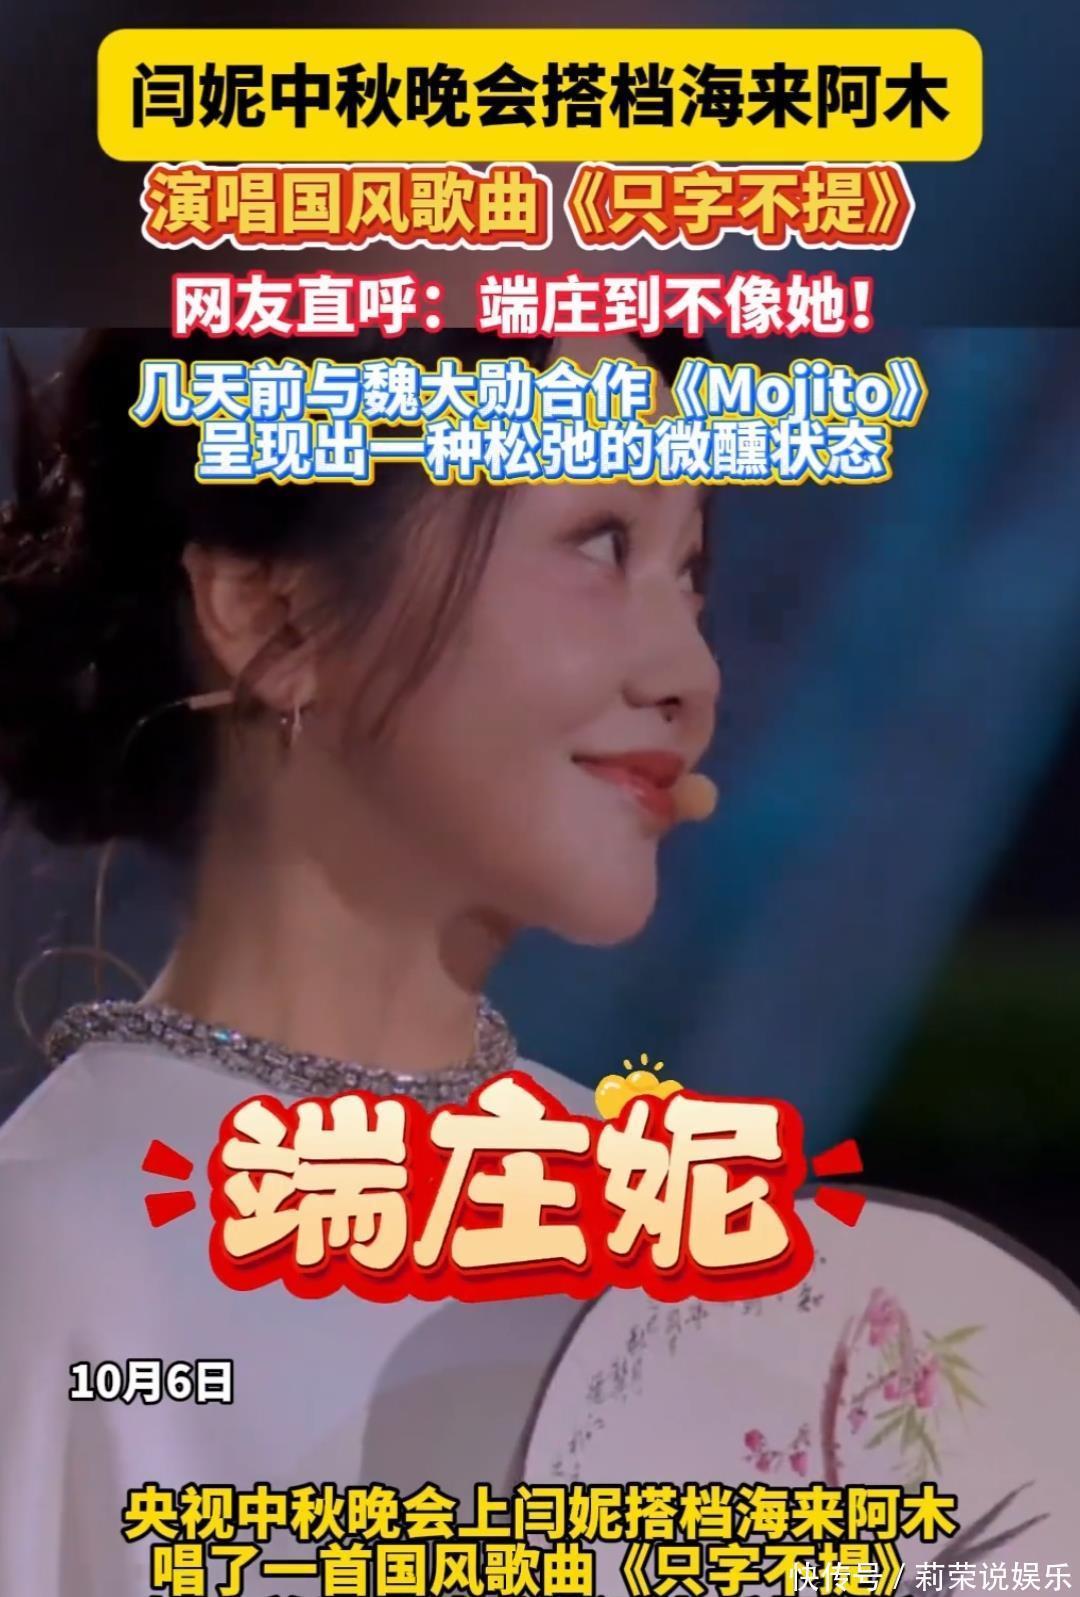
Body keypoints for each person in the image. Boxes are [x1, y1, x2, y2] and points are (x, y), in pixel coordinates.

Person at [0, 327, 719, 1594]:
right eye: (600, 545)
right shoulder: (56, 1257)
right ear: (271, 615)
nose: (689, 675)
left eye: (692, 575)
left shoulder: (682, 1237)